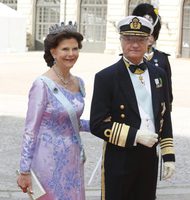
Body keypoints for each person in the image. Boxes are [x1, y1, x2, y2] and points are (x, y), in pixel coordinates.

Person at [90, 15, 175, 200]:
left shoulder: (159, 74)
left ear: (149, 41)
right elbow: (97, 124)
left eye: (140, 40)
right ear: (121, 41)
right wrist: (135, 135)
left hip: (149, 157)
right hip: (120, 156)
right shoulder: (106, 77)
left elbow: (164, 115)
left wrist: (168, 155)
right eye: (129, 39)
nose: (135, 45)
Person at [17, 21, 90, 200]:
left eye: (75, 49)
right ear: (53, 52)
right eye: (65, 49)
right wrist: (24, 170)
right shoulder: (41, 85)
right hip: (48, 160)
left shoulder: (79, 82)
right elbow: (30, 130)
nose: (71, 54)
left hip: (73, 158)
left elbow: (71, 121)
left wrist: (102, 125)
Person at [132, 3, 173, 111]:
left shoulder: (162, 58)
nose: (150, 38)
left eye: (152, 34)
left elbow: (167, 90)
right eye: (147, 35)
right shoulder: (131, 57)